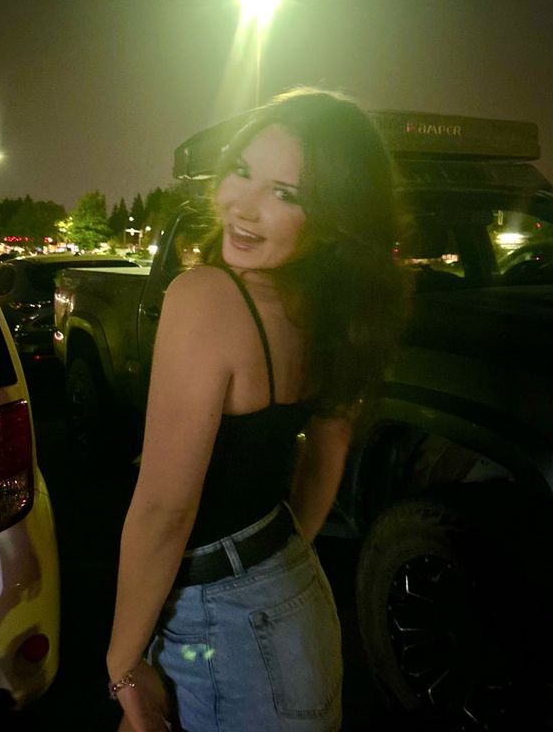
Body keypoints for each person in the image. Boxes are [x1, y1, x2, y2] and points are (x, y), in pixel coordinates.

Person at [106, 87, 407, 731]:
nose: (243, 205)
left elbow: (164, 509)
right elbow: (328, 450)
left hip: (225, 629)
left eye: (286, 193)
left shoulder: (206, 297)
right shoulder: (326, 308)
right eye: (242, 171)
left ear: (333, 217)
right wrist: (273, 565)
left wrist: (122, 666)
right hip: (293, 600)